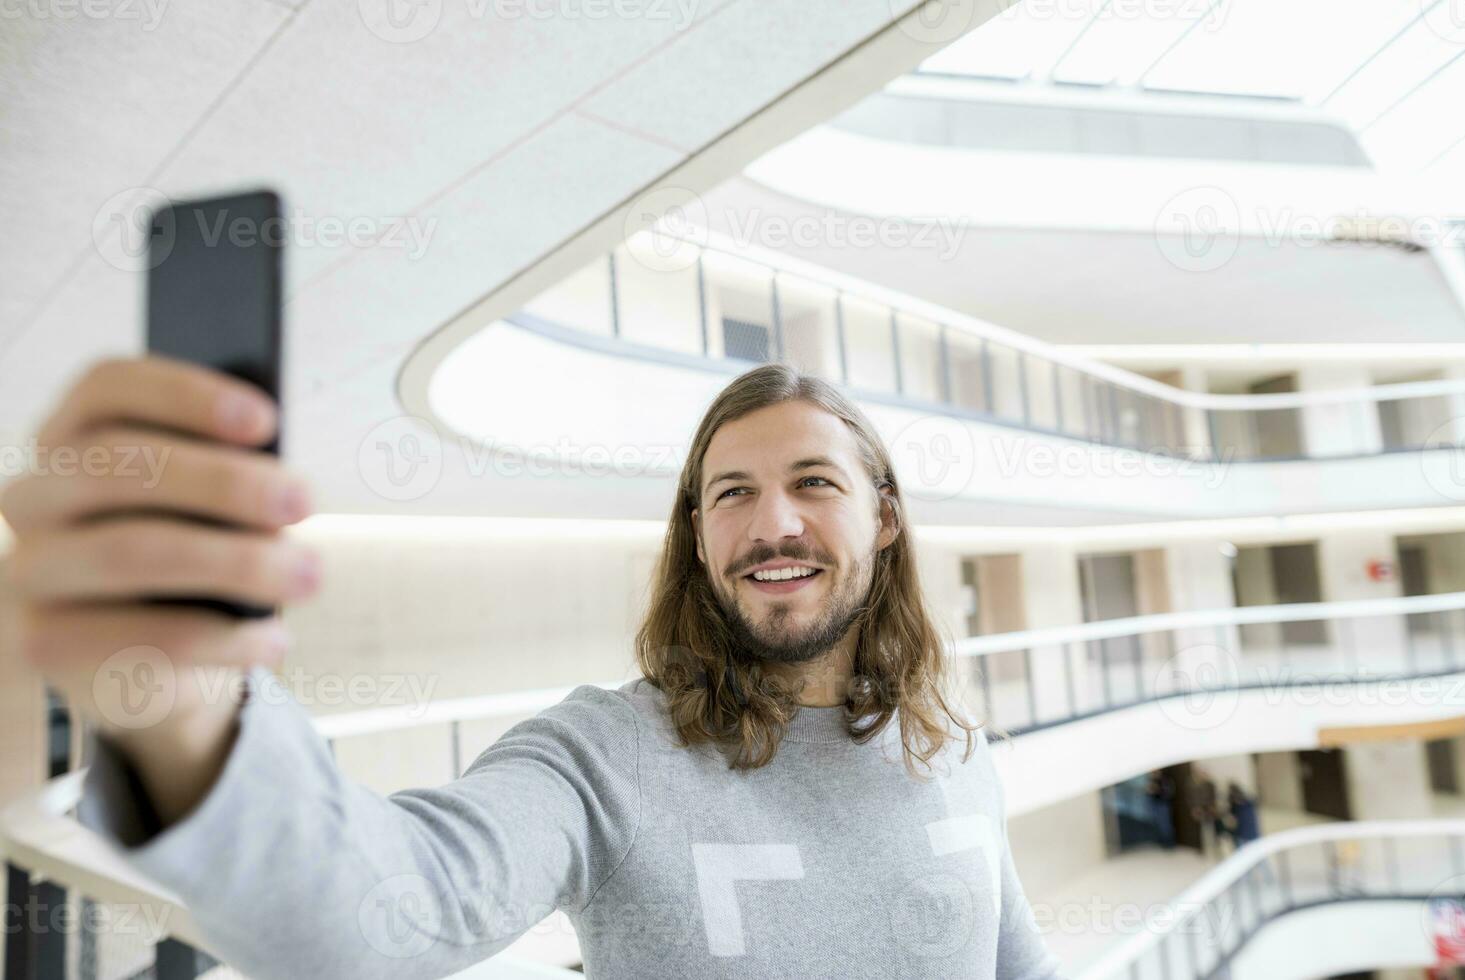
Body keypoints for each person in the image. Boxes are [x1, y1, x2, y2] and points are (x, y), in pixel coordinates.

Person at [3, 357, 1064, 980]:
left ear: (883, 517)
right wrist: (187, 708)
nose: (769, 522)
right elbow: (384, 908)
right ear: (697, 536)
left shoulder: (956, 749)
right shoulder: (606, 757)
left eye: (812, 481)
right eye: (729, 492)